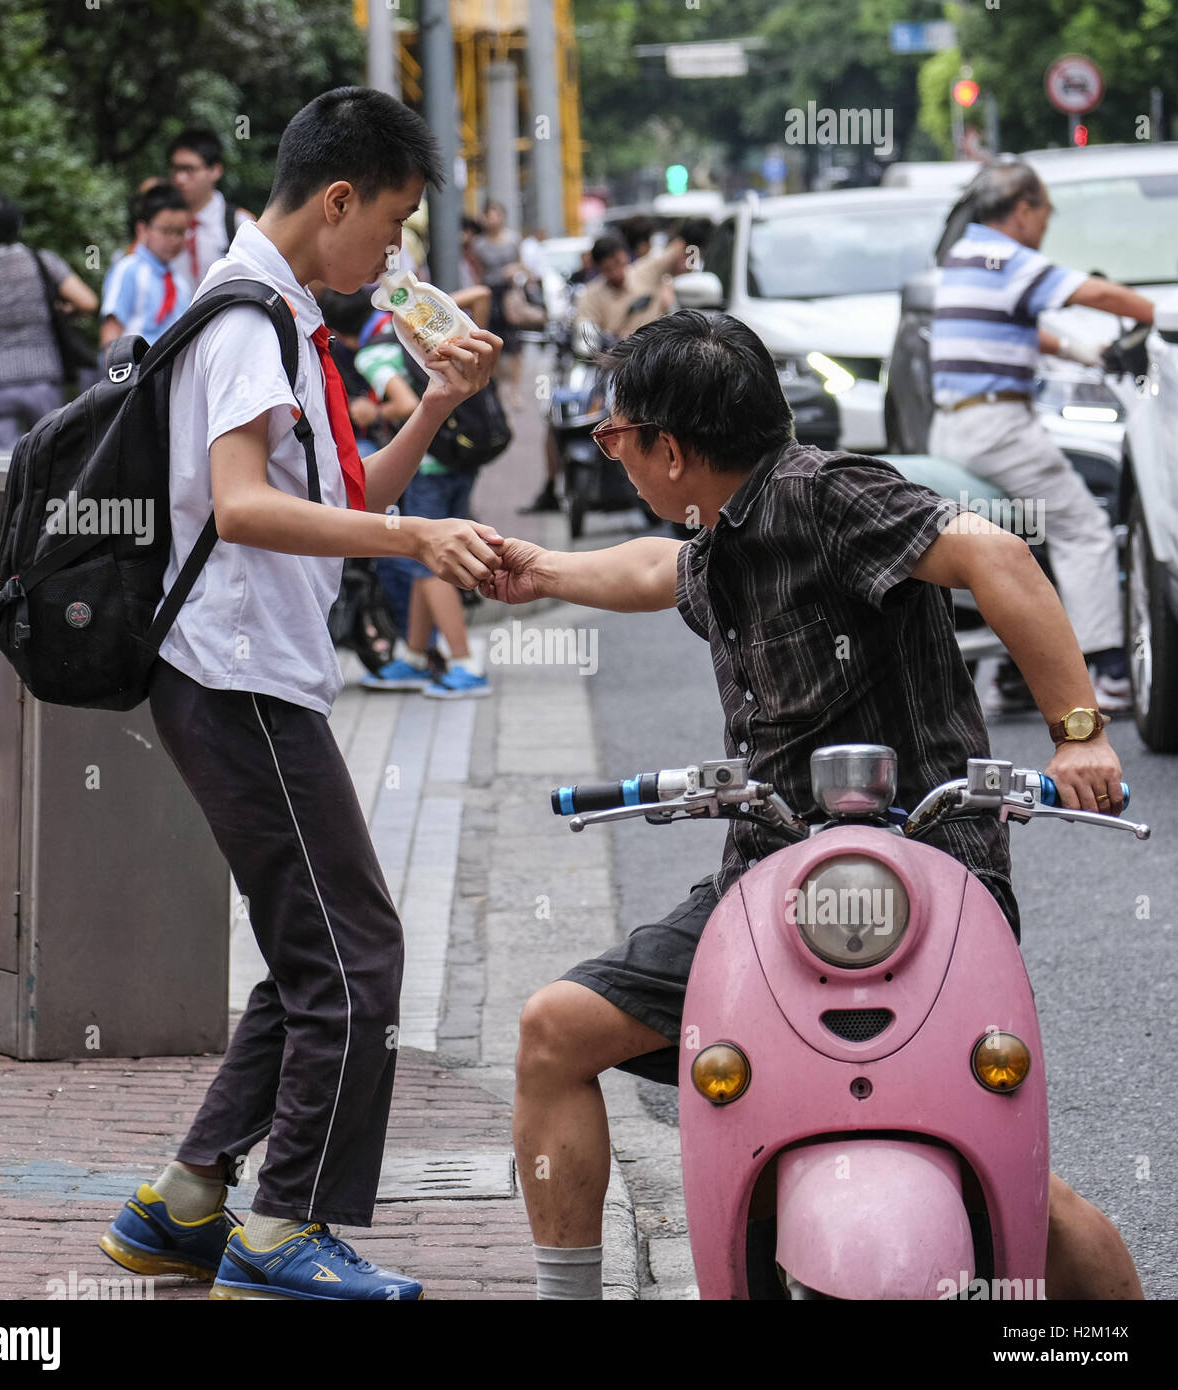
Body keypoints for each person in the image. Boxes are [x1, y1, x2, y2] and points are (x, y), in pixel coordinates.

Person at [480, 309, 1143, 1302]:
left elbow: (995, 558)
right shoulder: (719, 534)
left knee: (1004, 1174)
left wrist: (1079, 729)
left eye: (615, 436)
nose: (610, 454)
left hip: (920, 883)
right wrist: (543, 573)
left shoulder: (827, 494)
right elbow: (657, 574)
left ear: (671, 446)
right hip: (768, 888)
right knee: (554, 1031)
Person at [97, 86, 502, 1302]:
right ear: (336, 201)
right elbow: (245, 506)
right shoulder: (247, 322)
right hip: (237, 680)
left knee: (308, 953)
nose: (395, 255)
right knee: (358, 956)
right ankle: (281, 1232)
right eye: (391, 225)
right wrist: (418, 548)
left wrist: (434, 404)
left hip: (252, 676)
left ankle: (181, 1206)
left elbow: (340, 505)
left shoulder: (283, 320)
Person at [928, 161, 1154, 715]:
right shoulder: (1011, 257)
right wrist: (1164, 314)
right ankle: (1111, 671)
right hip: (998, 430)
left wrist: (1086, 354)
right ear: (1024, 210)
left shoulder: (963, 255)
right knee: (1085, 528)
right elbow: (1095, 292)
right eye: (1046, 214)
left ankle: (1012, 671)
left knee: (1025, 533)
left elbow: (1018, 325)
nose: (1046, 226)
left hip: (952, 426)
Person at [345, 288, 495, 698]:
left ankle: (465, 663)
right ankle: (414, 655)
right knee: (418, 563)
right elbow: (480, 296)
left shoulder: (372, 353)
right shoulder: (412, 328)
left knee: (429, 565)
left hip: (425, 468)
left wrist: (373, 412)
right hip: (459, 461)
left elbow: (410, 405)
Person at [0, 191, 98, 449]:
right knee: (49, 457)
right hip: (42, 375)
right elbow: (87, 301)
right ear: (17, 224)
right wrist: (66, 310)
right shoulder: (42, 261)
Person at [99, 183, 192, 349]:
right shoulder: (128, 270)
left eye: (180, 232)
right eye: (166, 231)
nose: (173, 240)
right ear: (142, 230)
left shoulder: (180, 282)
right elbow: (111, 333)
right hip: (137, 370)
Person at [166, 128, 256, 292]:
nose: (180, 179)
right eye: (176, 170)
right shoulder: (162, 223)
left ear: (215, 171)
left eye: (189, 170)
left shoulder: (238, 223)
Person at [573, 231, 691, 344]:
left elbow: (679, 246)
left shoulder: (647, 271)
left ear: (625, 256)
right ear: (598, 268)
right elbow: (586, 333)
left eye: (618, 263)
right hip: (619, 357)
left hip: (658, 350)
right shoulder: (590, 296)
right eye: (608, 269)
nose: (616, 272)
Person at [471, 199, 525, 407]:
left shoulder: (512, 239)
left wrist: (516, 272)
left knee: (515, 343)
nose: (492, 218)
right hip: (488, 293)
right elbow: (477, 272)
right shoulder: (479, 244)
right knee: (488, 339)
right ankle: (494, 387)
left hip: (509, 294)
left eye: (495, 213)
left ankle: (515, 389)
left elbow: (522, 264)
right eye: (488, 214)